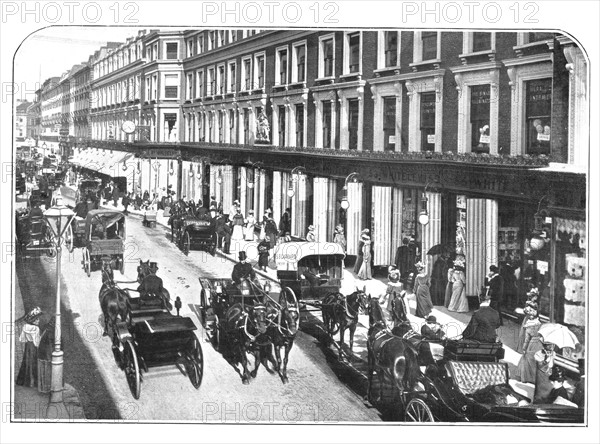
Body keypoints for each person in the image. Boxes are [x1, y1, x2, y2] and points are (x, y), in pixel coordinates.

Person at [513, 302, 542, 384]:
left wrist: (524, 348)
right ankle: (533, 377)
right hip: (538, 344)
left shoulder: (528, 326)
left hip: (531, 344)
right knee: (534, 360)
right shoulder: (539, 324)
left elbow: (526, 340)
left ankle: (525, 377)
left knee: (526, 358)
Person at [16, 307, 42, 388]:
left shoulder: (25, 326)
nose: (38, 321)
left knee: (26, 362)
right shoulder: (36, 328)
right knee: (34, 363)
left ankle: (25, 381)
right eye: (37, 319)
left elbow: (22, 339)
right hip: (34, 347)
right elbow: (37, 342)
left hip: (28, 346)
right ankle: (34, 382)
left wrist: (28, 339)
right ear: (33, 320)